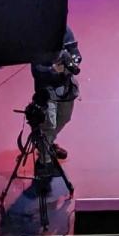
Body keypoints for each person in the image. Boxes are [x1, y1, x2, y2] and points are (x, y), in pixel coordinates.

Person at [30, 26, 81, 161]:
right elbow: (37, 69)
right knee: (49, 124)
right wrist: (52, 70)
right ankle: (44, 160)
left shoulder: (65, 30)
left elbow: (76, 54)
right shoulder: (38, 34)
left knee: (64, 118)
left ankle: (48, 142)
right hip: (46, 88)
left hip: (65, 86)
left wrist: (72, 61)